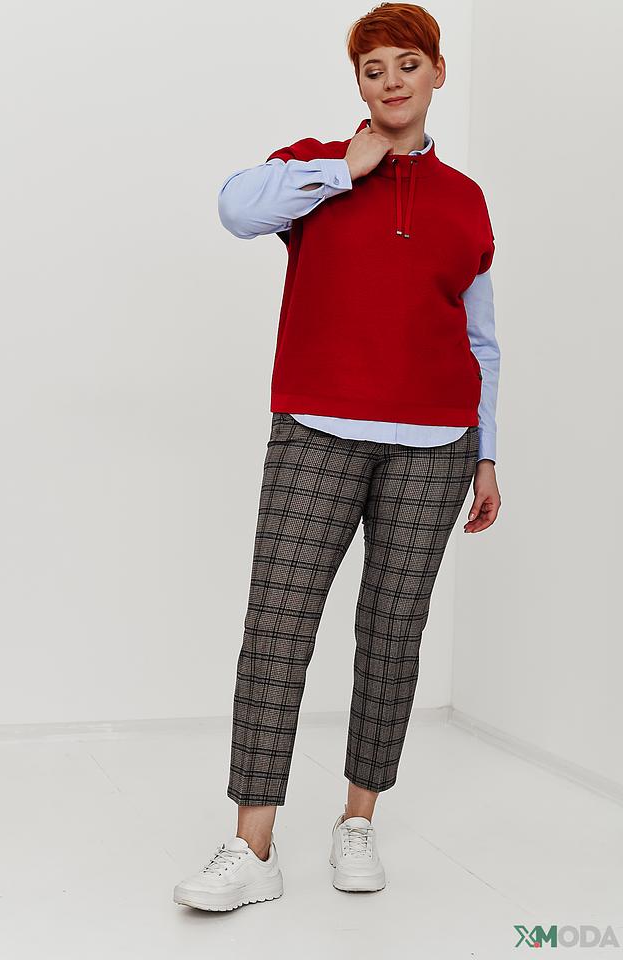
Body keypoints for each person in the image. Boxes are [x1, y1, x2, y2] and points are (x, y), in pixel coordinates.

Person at [174, 1, 502, 912]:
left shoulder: (466, 199)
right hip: (316, 428)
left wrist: (488, 453)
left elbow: (481, 340)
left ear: (438, 73)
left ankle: (358, 820)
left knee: (393, 631)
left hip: (437, 444)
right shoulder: (312, 168)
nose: (391, 81)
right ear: (358, 83)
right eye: (373, 68)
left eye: (408, 63)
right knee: (278, 626)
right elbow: (235, 208)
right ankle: (253, 845)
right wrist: (341, 170)